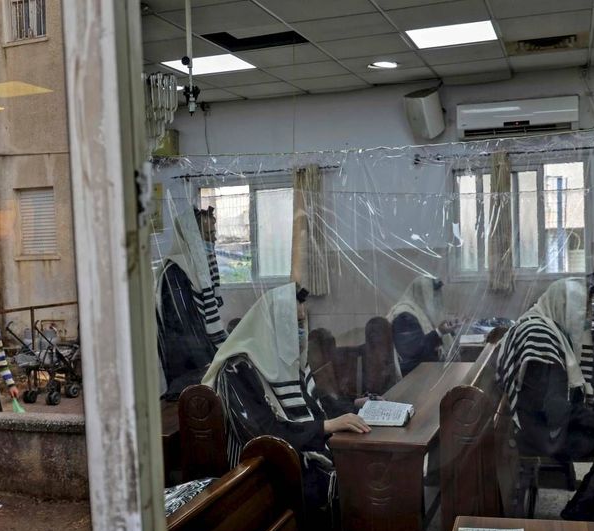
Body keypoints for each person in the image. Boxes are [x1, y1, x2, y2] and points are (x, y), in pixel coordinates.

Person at [202, 283, 370, 513]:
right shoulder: (236, 370)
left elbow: (315, 403)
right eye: (294, 323)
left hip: (295, 460)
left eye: (302, 323)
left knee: (369, 469)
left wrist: (355, 407)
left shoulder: (285, 359)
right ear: (273, 325)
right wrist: (327, 426)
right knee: (363, 482)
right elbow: (264, 437)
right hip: (260, 477)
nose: (301, 331)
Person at [496, 278, 594, 524]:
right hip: (542, 433)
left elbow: (559, 396)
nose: (587, 319)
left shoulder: (544, 325)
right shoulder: (539, 338)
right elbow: (555, 407)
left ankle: (586, 502)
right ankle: (587, 510)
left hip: (542, 422)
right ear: (565, 306)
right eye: (583, 311)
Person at [156, 206, 227, 399]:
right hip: (185, 371)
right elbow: (184, 329)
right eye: (207, 234)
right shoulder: (175, 273)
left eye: (214, 233)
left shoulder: (196, 271)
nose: (214, 240)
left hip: (199, 362)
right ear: (190, 237)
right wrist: (210, 362)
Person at [387, 276, 461, 376]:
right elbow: (414, 353)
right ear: (422, 294)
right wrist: (439, 332)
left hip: (427, 371)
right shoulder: (404, 316)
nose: (436, 301)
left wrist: (449, 330)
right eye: (433, 296)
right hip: (413, 377)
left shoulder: (421, 312)